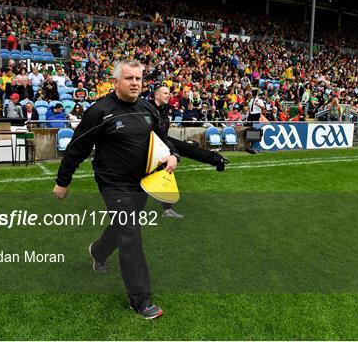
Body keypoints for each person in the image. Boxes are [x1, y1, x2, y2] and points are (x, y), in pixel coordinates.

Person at [53, 60, 179, 319]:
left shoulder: (147, 109)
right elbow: (77, 147)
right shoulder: (100, 111)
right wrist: (63, 181)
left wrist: (173, 154)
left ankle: (97, 251)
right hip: (113, 185)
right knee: (131, 236)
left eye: (139, 79)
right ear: (115, 82)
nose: (135, 83)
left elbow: (163, 138)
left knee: (122, 228)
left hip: (143, 182)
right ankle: (141, 301)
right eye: (129, 78)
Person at [151, 84, 229, 219]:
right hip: (150, 147)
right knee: (161, 173)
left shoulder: (165, 110)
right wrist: (173, 152)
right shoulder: (148, 109)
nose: (168, 95)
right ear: (156, 95)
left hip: (162, 143)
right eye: (165, 93)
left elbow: (164, 135)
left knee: (187, 149)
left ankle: (217, 159)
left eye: (169, 93)